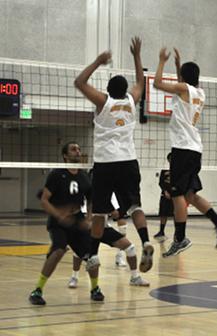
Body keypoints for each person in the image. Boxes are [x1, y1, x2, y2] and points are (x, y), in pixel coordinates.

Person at [74, 37, 154, 273]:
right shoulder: (132, 100)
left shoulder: (103, 102)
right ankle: (146, 240)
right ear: (125, 90)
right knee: (135, 207)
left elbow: (79, 82)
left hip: (106, 164)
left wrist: (99, 61)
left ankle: (94, 254)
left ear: (108, 90)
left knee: (99, 212)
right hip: (129, 162)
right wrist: (137, 55)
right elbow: (141, 81)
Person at [153, 48, 217, 257]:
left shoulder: (183, 89)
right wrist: (179, 65)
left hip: (183, 148)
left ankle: (180, 238)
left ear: (183, 78)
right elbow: (184, 84)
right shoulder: (199, 92)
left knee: (177, 194)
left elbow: (157, 84)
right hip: (194, 148)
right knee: (190, 195)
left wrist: (162, 61)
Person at [29, 142, 104, 305]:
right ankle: (37, 290)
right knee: (58, 251)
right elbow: (44, 200)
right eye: (73, 149)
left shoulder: (84, 175)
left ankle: (95, 288)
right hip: (58, 223)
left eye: (78, 148)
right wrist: (59, 215)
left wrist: (89, 218)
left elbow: (91, 200)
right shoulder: (56, 174)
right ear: (65, 155)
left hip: (78, 221)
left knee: (92, 256)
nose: (77, 151)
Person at [153, 152, 173, 242]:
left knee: (176, 214)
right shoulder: (164, 170)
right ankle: (161, 231)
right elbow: (161, 183)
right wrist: (165, 191)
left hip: (176, 196)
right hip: (165, 195)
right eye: (170, 159)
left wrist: (173, 193)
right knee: (163, 213)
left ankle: (178, 233)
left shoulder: (179, 171)